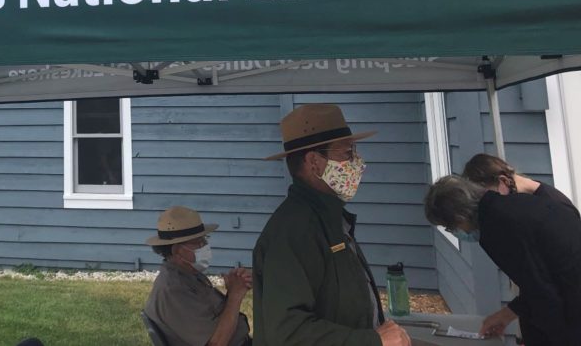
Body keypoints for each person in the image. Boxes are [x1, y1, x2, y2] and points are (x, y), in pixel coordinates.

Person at [253, 103, 410, 346]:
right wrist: (371, 340)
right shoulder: (295, 231)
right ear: (314, 162)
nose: (357, 163)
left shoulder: (327, 217)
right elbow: (287, 333)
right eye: (346, 153)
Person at [424, 174, 581, 345]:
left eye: (450, 227)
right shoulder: (513, 204)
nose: (454, 231)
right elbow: (537, 280)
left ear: (459, 218)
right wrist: (507, 314)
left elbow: (543, 293)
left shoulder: (496, 228)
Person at [461, 153, 580, 337]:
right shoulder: (521, 216)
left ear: (503, 181)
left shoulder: (552, 206)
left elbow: (556, 286)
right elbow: (535, 282)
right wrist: (509, 314)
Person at [144, 206, 252, 346]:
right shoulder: (174, 289)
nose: (205, 246)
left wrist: (233, 289)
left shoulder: (188, 274)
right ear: (177, 250)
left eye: (205, 240)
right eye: (198, 243)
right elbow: (216, 343)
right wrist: (235, 296)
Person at [462, 153, 578, 215]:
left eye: (489, 196)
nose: (489, 202)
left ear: (503, 181)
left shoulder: (554, 205)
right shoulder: (523, 202)